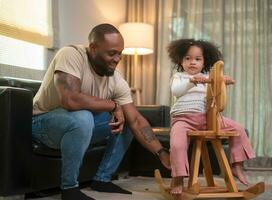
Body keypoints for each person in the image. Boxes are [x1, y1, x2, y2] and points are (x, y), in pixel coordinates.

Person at [32, 23, 170, 200]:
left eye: (119, 53)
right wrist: (113, 106)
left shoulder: (117, 81)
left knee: (127, 119)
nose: (117, 58)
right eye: (111, 53)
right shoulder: (71, 54)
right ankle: (69, 189)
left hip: (78, 127)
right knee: (83, 117)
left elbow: (136, 120)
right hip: (42, 124)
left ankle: (102, 179)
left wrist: (161, 152)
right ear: (93, 48)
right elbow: (70, 100)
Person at [167, 39, 256, 198]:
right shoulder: (179, 77)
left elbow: (218, 92)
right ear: (180, 60)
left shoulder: (208, 77)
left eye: (197, 59)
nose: (192, 62)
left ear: (204, 61)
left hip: (208, 119)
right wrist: (191, 81)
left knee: (239, 129)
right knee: (177, 144)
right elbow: (176, 91)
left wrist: (223, 80)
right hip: (183, 120)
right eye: (187, 58)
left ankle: (237, 165)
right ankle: (178, 178)